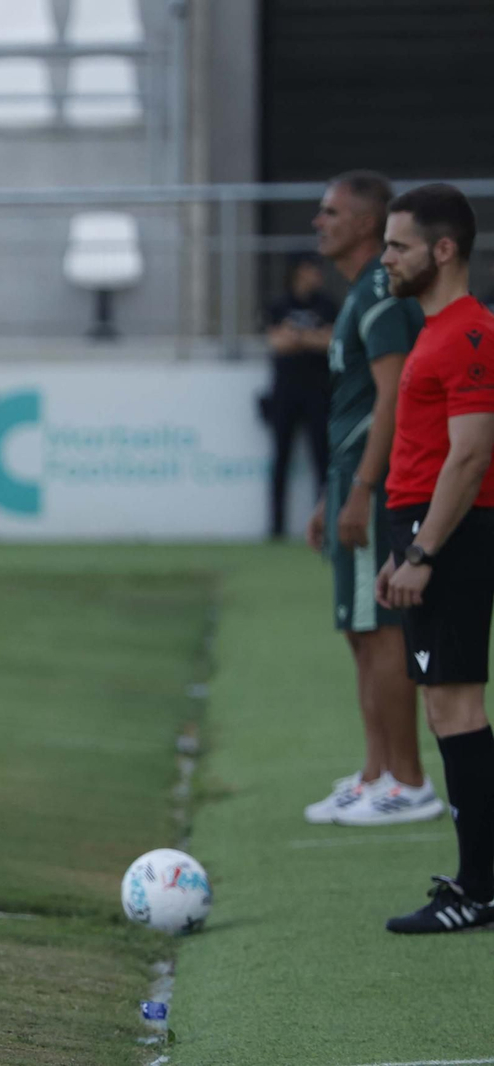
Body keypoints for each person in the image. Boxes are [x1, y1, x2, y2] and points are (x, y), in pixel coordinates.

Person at [301, 172, 440, 827]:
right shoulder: (361, 293)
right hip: (354, 479)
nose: (316, 222)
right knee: (362, 632)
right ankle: (376, 773)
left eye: (329, 212)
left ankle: (408, 782)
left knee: (382, 631)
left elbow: (395, 396)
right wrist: (333, 496)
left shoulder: (381, 291)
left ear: (363, 223)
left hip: (379, 483)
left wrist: (360, 490)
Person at [373, 183, 494, 933]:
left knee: (457, 706)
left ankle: (479, 889)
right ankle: (480, 879)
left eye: (398, 246)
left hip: (445, 531)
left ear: (442, 250)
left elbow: (472, 452)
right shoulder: (435, 328)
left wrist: (420, 550)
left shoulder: (468, 332)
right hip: (421, 526)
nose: (386, 259)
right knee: (446, 706)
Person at [262, 254, 334, 539]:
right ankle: (276, 527)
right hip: (285, 393)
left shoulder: (327, 305)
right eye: (311, 269)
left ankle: (325, 522)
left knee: (323, 460)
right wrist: (311, 338)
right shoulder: (279, 304)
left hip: (319, 392)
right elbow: (276, 342)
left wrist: (298, 337)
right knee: (280, 459)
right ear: (299, 272)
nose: (317, 275)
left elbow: (331, 341)